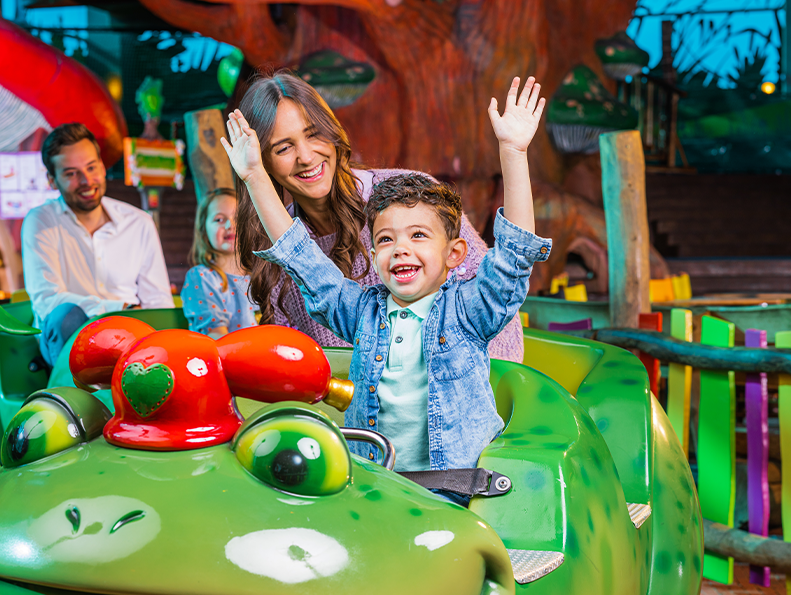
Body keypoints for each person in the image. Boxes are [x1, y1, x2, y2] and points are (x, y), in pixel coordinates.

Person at [222, 78, 552, 500]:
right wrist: (253, 175)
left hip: (451, 485)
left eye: (418, 236)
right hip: (375, 486)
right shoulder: (362, 313)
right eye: (385, 240)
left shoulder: (468, 313)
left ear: (454, 254)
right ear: (372, 250)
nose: (401, 249)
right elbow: (302, 259)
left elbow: (513, 257)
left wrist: (514, 153)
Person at [233, 71, 526, 363]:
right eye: (284, 148)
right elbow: (298, 342)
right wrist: (254, 178)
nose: (306, 157)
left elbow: (498, 292)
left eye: (313, 134)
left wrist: (480, 380)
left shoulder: (408, 196)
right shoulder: (288, 255)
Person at [22, 123, 173, 366]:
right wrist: (118, 309)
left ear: (102, 168)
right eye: (71, 174)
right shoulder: (40, 221)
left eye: (91, 168)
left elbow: (158, 302)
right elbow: (47, 300)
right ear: (52, 180)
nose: (86, 180)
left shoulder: (139, 222)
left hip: (130, 340)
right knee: (65, 315)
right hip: (69, 340)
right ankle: (72, 388)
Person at [180, 188, 259, 337]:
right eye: (219, 220)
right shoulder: (202, 277)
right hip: (226, 352)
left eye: (238, 217)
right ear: (204, 230)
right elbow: (216, 336)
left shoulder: (259, 274)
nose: (230, 225)